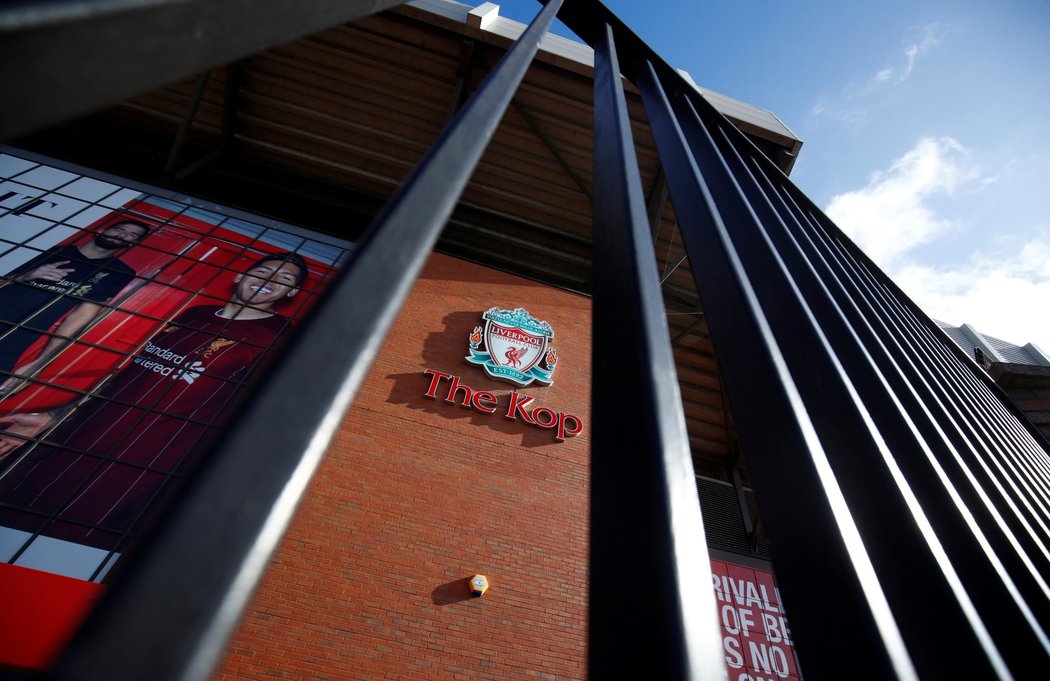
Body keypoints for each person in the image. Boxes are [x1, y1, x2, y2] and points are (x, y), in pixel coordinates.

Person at [0, 251, 307, 552]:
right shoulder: (195, 313)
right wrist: (55, 417)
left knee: (61, 546)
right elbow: (127, 378)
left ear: (291, 292)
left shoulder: (278, 338)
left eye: (284, 278)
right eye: (264, 270)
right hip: (77, 442)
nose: (269, 279)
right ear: (241, 275)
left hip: (141, 464)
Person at [0, 219, 151, 394]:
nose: (123, 235)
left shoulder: (119, 273)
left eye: (132, 235)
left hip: (13, 340)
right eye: (119, 229)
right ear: (101, 230)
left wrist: (39, 364)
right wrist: (26, 276)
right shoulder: (50, 250)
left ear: (134, 243)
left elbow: (82, 316)